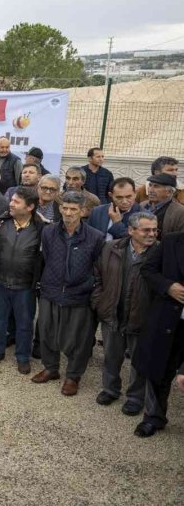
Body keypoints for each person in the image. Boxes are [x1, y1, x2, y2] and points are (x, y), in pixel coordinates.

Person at [32, 192, 104, 396]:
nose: (68, 213)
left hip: (79, 294)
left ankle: (73, 376)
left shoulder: (95, 237)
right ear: (60, 209)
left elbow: (98, 267)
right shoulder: (48, 232)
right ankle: (51, 368)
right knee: (47, 332)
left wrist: (89, 288)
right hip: (51, 291)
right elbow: (46, 258)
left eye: (74, 209)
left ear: (82, 211)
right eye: (65, 208)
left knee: (78, 339)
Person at [91, 211, 158, 416]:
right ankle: (110, 390)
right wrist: (99, 301)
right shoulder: (111, 247)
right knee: (111, 355)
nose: (151, 234)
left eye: (155, 230)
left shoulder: (161, 253)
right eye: (146, 230)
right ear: (131, 230)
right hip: (112, 313)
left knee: (139, 362)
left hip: (142, 318)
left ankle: (135, 398)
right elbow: (97, 275)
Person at [131, 230, 184, 437]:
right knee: (159, 369)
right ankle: (153, 417)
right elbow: (148, 269)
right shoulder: (171, 241)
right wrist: (168, 286)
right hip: (168, 320)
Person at [0, 187, 44, 375]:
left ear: (30, 207)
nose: (10, 204)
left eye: (16, 202)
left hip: (25, 286)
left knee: (25, 323)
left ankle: (23, 357)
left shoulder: (41, 228)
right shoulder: (1, 222)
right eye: (11, 200)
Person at [141, 172, 184, 239]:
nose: (150, 190)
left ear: (169, 192)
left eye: (156, 186)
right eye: (150, 185)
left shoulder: (180, 212)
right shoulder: (142, 205)